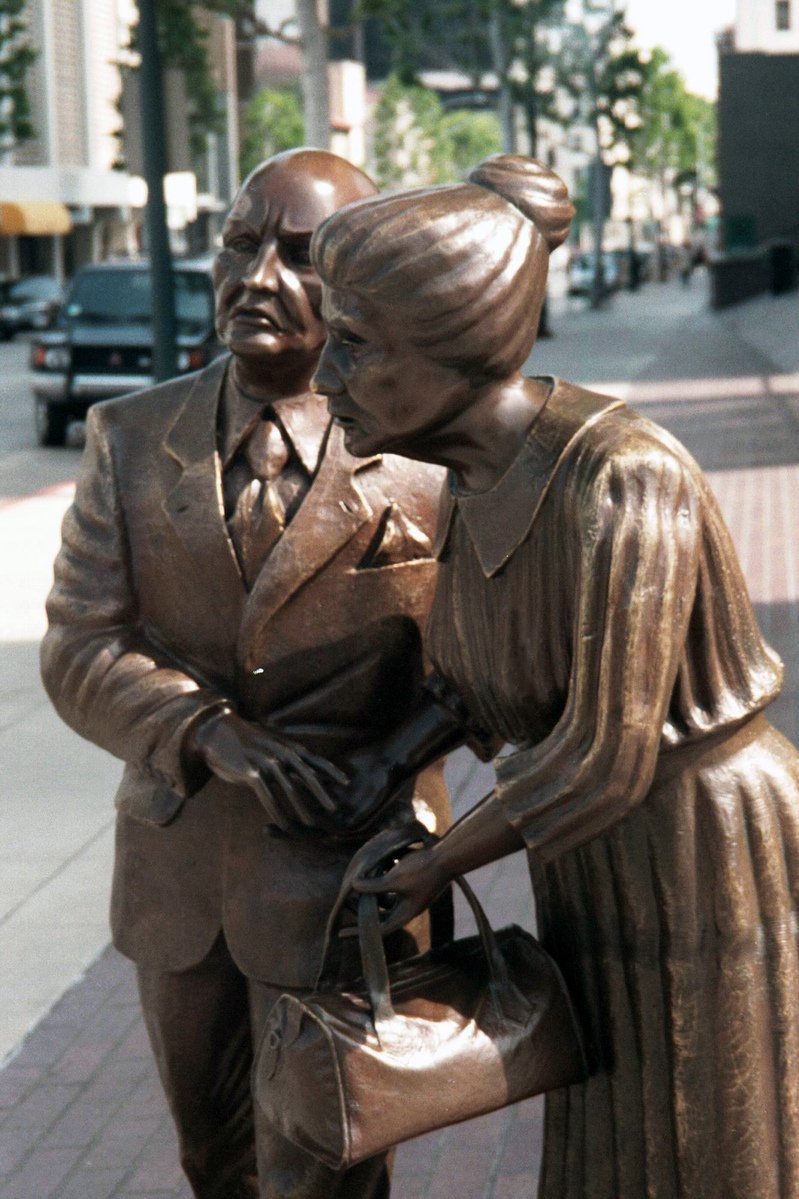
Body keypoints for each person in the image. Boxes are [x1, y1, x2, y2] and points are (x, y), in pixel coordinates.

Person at [310, 154, 799, 1199]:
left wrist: (446, 859)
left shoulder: (622, 477)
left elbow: (602, 752)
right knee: (612, 1118)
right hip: (587, 851)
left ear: (453, 349)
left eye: (352, 346)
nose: (322, 378)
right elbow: (474, 682)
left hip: (697, 844)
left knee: (705, 1130)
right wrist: (373, 770)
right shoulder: (468, 482)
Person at [40, 149, 453, 1199]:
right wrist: (207, 730)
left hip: (351, 878)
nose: (256, 275)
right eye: (239, 241)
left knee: (331, 1162)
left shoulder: (430, 458)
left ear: (365, 284)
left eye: (301, 255)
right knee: (212, 1157)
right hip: (181, 881)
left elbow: (487, 667)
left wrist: (396, 760)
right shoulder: (129, 439)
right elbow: (79, 644)